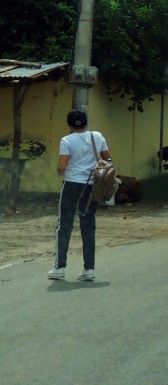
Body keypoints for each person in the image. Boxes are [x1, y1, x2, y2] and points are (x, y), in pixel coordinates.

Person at [49, 109, 111, 281]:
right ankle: (89, 269)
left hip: (71, 185)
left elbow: (62, 166)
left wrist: (60, 170)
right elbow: (108, 160)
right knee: (88, 224)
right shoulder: (97, 136)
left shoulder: (66, 140)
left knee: (64, 224)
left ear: (69, 124)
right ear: (85, 123)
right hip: (92, 186)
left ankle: (60, 268)